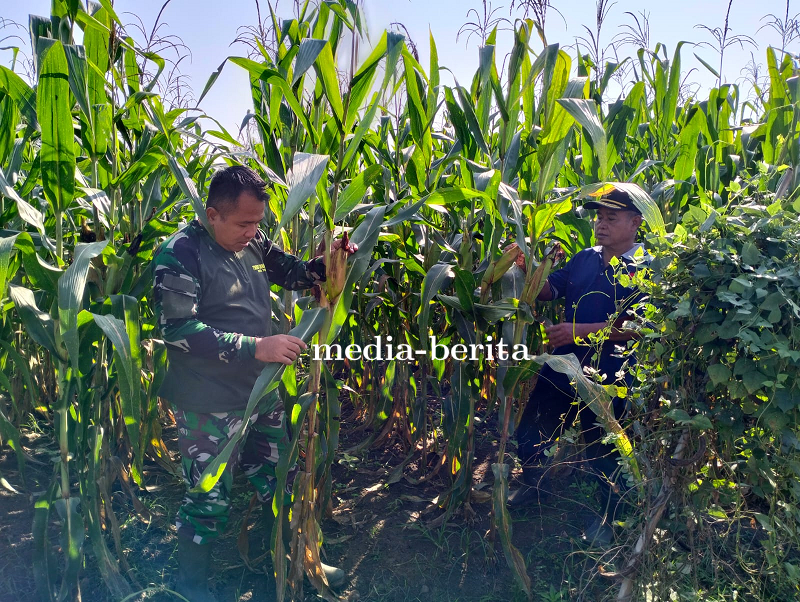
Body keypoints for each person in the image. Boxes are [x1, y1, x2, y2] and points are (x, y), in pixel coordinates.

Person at [153, 165, 351, 601]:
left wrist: (327, 264)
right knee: (208, 498)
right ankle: (191, 590)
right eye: (244, 223)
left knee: (279, 480)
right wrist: (255, 346)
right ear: (213, 214)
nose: (253, 232)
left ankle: (290, 558)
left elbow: (290, 272)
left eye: (258, 223)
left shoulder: (253, 241)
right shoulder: (181, 254)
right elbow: (177, 330)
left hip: (259, 394)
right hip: (207, 400)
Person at [507, 188, 648, 546]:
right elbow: (548, 292)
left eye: (610, 218)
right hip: (563, 364)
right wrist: (527, 267)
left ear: (635, 223)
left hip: (610, 374)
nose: (600, 224)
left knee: (605, 448)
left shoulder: (646, 268)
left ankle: (611, 519)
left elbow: (637, 329)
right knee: (532, 430)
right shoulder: (585, 258)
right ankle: (533, 486)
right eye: (599, 217)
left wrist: (576, 331)